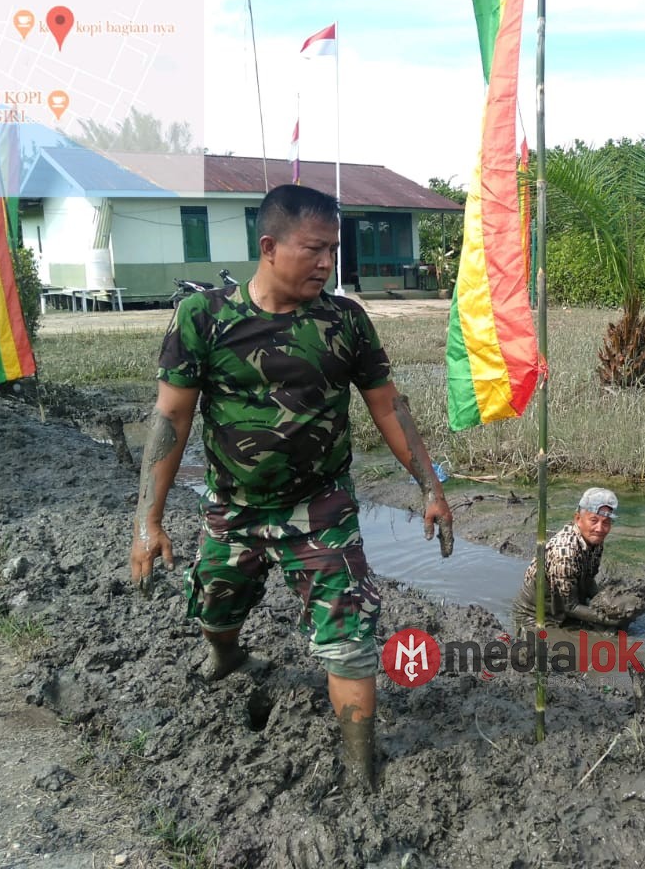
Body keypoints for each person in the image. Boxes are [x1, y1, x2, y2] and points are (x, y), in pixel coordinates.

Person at [129, 184, 453, 791]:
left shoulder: (343, 321)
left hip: (321, 508)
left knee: (349, 640)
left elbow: (389, 405)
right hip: (233, 507)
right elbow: (171, 418)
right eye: (314, 249)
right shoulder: (204, 317)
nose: (327, 263)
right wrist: (149, 520)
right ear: (269, 247)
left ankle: (361, 771)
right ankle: (227, 656)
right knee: (216, 606)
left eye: (334, 249)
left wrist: (431, 488)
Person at [513, 487, 622, 629]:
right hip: (536, 616)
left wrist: (605, 602)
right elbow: (570, 607)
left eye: (606, 522)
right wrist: (609, 619)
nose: (600, 529)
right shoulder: (564, 552)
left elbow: (589, 579)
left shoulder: (594, 539)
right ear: (578, 519)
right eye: (593, 520)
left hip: (565, 605)